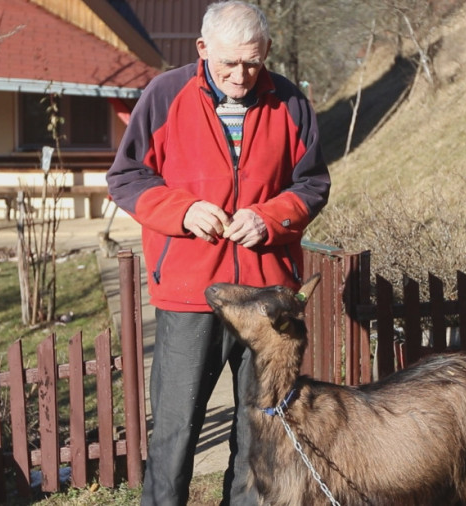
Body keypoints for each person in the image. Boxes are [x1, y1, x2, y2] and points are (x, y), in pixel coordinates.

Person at [107, 1, 330, 504]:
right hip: (190, 293)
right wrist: (182, 211)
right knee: (175, 431)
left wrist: (270, 218)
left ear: (266, 51)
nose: (241, 75)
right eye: (229, 62)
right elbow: (126, 177)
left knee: (258, 433)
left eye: (252, 62)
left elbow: (313, 183)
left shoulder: (291, 102)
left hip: (268, 297)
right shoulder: (164, 95)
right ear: (203, 48)